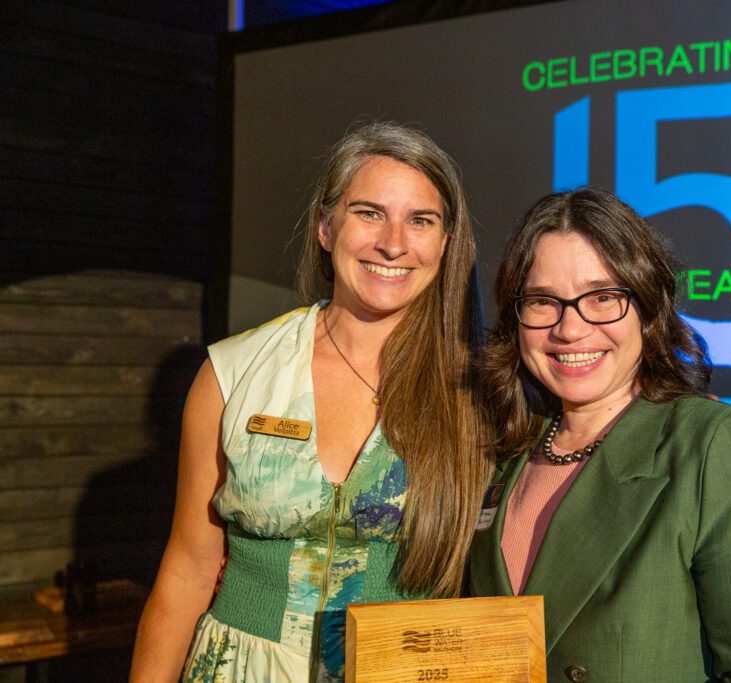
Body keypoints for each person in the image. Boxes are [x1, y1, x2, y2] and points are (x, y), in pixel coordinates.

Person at [130, 122, 490, 682]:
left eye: (421, 220)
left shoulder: (476, 394)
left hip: (407, 668)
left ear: (446, 243)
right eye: (369, 212)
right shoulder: (233, 372)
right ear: (326, 228)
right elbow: (188, 571)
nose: (393, 242)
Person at [469, 188, 731, 681]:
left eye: (602, 298)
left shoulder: (715, 447)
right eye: (542, 301)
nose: (570, 329)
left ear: (647, 307)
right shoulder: (500, 458)